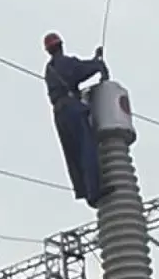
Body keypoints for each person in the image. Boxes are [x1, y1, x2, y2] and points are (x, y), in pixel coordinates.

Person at [43, 32, 110, 209]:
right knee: (86, 147)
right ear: (61, 45)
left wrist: (94, 59)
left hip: (59, 113)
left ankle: (85, 191)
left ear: (48, 50)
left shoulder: (49, 69)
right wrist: (98, 65)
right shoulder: (66, 62)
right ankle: (94, 191)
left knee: (72, 154)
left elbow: (78, 69)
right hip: (72, 108)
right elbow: (81, 70)